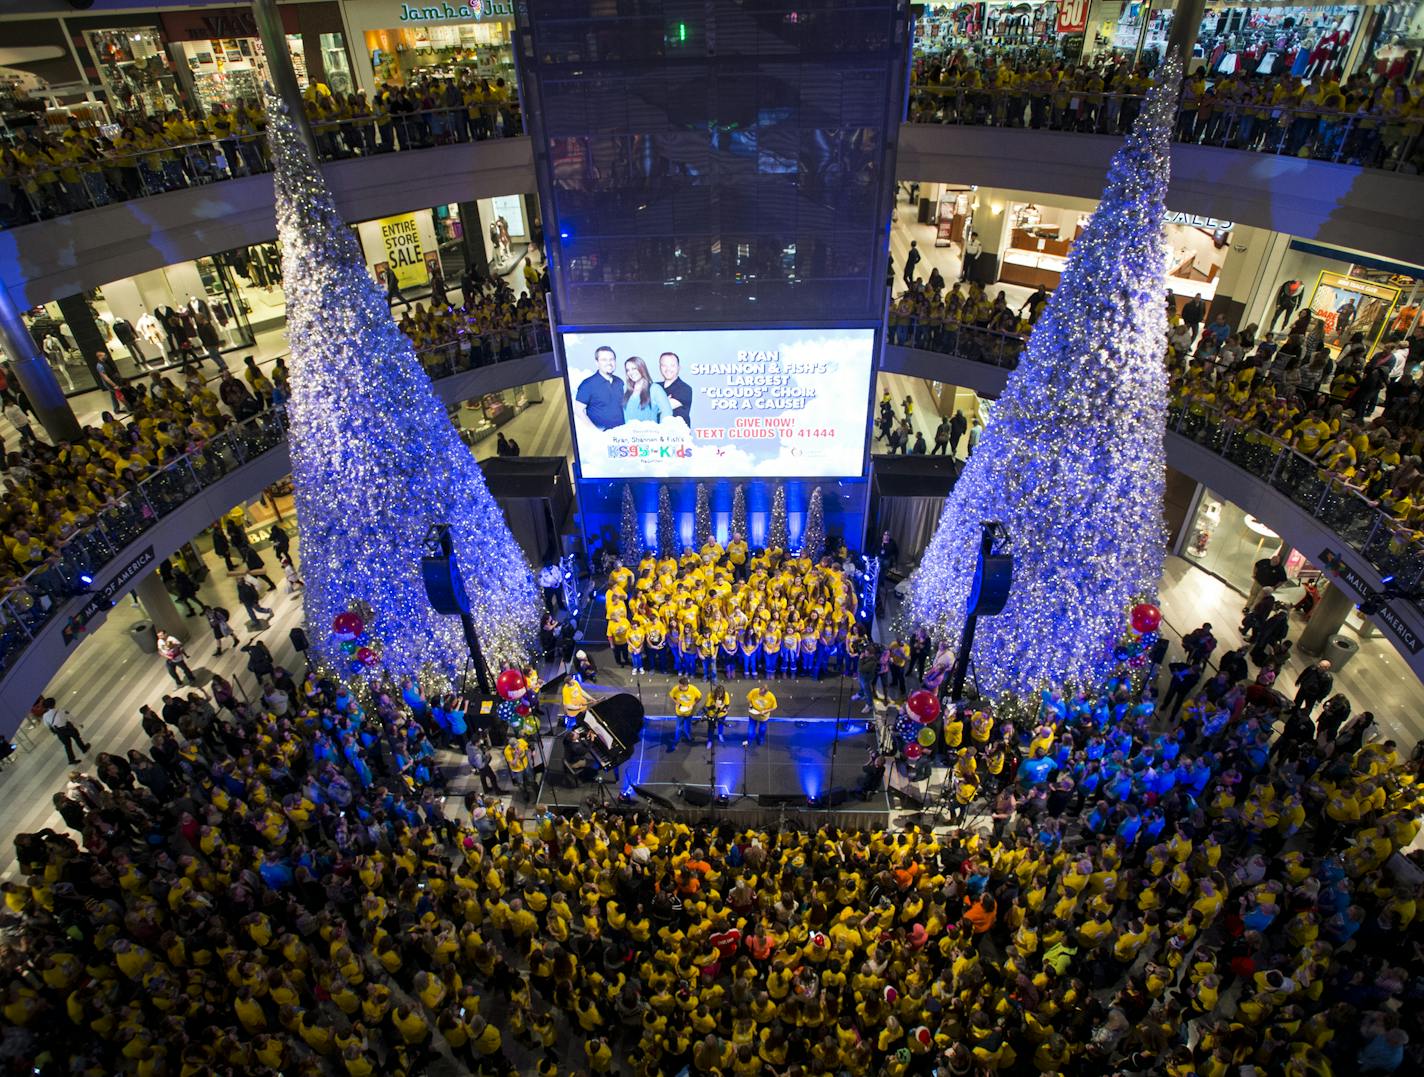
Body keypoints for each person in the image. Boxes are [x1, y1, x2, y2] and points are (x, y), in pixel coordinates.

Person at [573, 345, 626, 430]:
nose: (609, 363)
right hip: (600, 438)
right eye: (604, 360)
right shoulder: (587, 384)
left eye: (611, 359)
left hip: (621, 435)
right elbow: (579, 410)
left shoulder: (619, 382)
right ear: (597, 363)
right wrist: (595, 432)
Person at [622, 356, 673, 424]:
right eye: (628, 370)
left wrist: (661, 432)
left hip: (649, 433)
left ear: (642, 368)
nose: (631, 372)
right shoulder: (626, 391)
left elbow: (667, 413)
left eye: (634, 368)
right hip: (627, 433)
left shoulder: (655, 389)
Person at [41, 697, 90, 764]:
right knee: (77, 738)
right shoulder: (61, 711)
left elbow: (47, 725)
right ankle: (83, 749)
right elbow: (71, 717)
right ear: (54, 703)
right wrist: (79, 724)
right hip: (68, 728)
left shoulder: (45, 716)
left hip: (59, 731)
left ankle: (71, 760)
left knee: (67, 745)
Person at [658, 351, 693, 426]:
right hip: (655, 435)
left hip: (676, 435)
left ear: (679, 367)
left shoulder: (685, 389)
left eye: (672, 365)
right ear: (660, 367)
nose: (668, 369)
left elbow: (662, 408)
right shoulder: (655, 387)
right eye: (664, 365)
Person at [669, 675, 702, 751]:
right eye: (679, 686)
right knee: (678, 727)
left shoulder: (693, 689)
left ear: (686, 686)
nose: (679, 687)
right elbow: (671, 695)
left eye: (681, 687)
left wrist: (692, 704)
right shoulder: (676, 689)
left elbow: (699, 697)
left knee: (688, 726)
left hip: (689, 713)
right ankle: (676, 740)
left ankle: (689, 737)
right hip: (679, 713)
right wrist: (676, 702)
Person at [745, 681, 776, 746]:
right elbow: (748, 698)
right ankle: (750, 739)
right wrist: (750, 705)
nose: (760, 694)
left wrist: (765, 711)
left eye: (762, 694)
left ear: (766, 692)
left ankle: (761, 738)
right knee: (750, 731)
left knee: (762, 729)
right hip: (753, 715)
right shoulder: (754, 691)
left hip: (763, 717)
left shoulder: (771, 697)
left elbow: (774, 707)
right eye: (760, 692)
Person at [703, 682, 730, 751]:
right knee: (711, 728)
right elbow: (707, 707)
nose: (719, 696)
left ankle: (720, 734)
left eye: (720, 695)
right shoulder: (710, 695)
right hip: (712, 715)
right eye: (718, 695)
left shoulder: (726, 695)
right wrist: (715, 706)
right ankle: (709, 741)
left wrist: (724, 708)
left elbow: (727, 704)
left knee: (721, 725)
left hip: (722, 715)